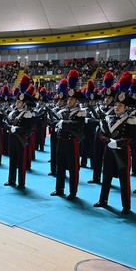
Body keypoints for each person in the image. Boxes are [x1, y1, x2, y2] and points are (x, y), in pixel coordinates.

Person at [94, 71, 136, 214]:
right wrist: (108, 141)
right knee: (106, 176)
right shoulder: (109, 117)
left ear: (126, 108)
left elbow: (131, 137)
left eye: (120, 105)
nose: (117, 107)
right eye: (116, 104)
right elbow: (102, 134)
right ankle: (103, 200)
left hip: (122, 152)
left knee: (124, 179)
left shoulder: (131, 120)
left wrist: (117, 143)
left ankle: (126, 205)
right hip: (109, 150)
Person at [50, 70, 86, 200]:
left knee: (73, 168)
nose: (69, 100)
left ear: (77, 100)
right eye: (68, 98)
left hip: (72, 142)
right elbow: (56, 122)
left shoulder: (80, 112)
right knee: (60, 166)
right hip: (61, 141)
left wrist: (62, 123)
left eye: (72, 99)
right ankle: (59, 189)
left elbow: (77, 125)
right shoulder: (63, 111)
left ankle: (73, 191)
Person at [4, 92, 36, 189]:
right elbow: (6, 124)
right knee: (12, 159)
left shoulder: (27, 114)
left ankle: (21, 182)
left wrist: (16, 129)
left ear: (24, 103)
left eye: (19, 102)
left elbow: (28, 130)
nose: (17, 103)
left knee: (21, 161)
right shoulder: (14, 112)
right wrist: (10, 127)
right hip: (12, 138)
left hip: (20, 139)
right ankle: (11, 179)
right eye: (17, 101)